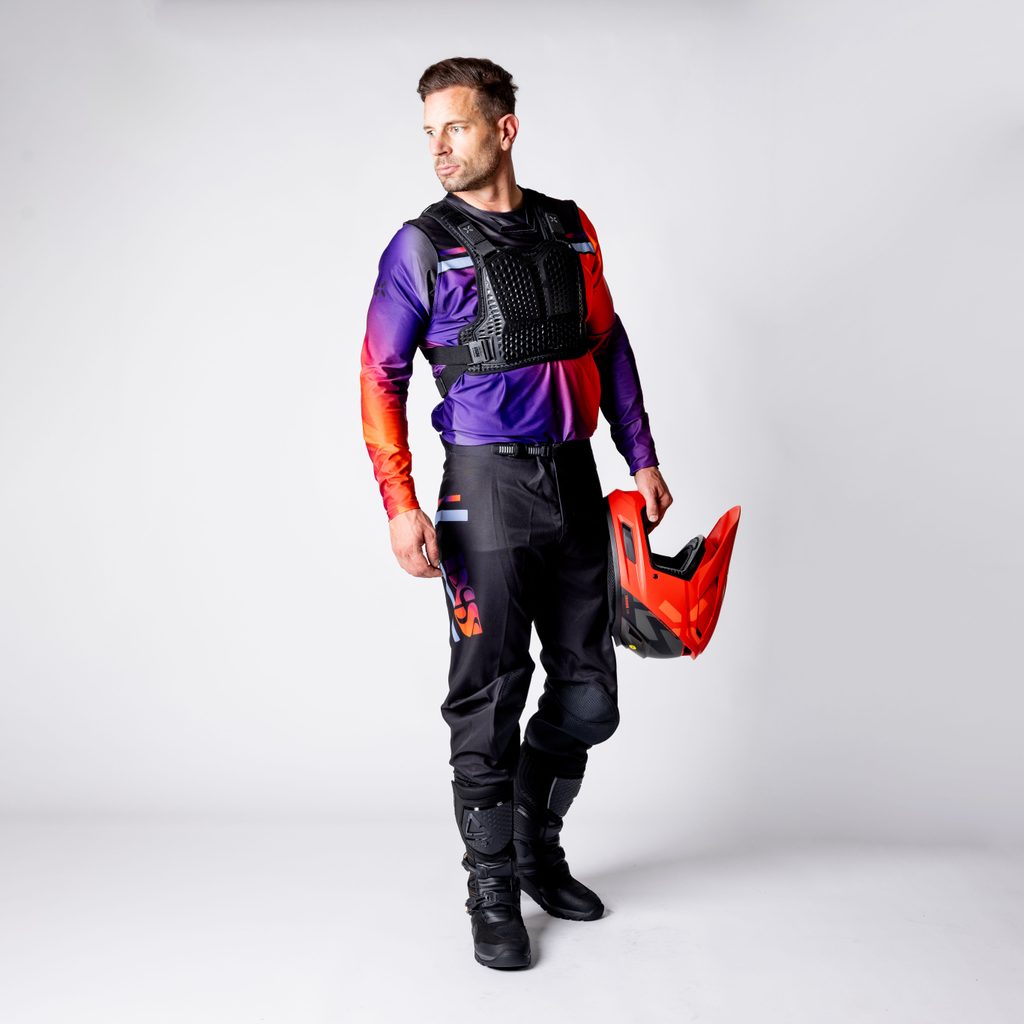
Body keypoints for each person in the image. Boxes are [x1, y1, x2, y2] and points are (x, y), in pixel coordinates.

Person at [359, 57, 672, 970]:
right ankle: (491, 886)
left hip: (574, 480)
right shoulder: (420, 247)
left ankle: (536, 847)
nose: (438, 148)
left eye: (454, 127)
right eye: (428, 132)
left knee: (590, 695)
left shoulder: (570, 229)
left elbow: (607, 341)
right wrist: (400, 504)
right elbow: (379, 378)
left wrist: (642, 456)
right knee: (488, 694)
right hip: (482, 491)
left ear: (504, 129)